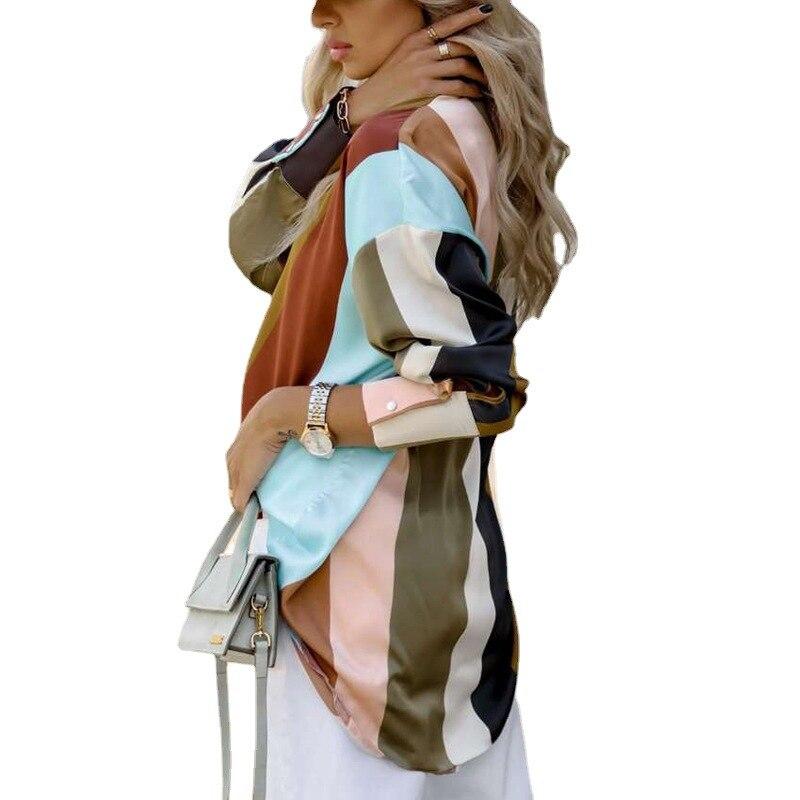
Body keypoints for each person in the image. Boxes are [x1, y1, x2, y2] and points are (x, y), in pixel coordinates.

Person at [224, 1, 576, 797]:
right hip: (451, 580)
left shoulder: (393, 152)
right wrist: (347, 116)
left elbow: (472, 387)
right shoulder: (448, 127)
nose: (320, 15)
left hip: (349, 583)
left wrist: (284, 415)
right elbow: (254, 241)